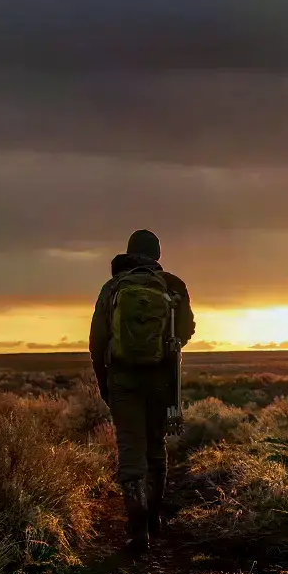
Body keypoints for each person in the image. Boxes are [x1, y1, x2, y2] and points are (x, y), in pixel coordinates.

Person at [89, 229, 196, 553]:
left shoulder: (113, 288)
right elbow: (186, 330)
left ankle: (137, 528)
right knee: (155, 444)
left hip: (123, 379)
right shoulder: (173, 286)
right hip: (162, 378)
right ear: (157, 255)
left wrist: (104, 382)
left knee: (130, 447)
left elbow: (97, 341)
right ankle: (153, 519)